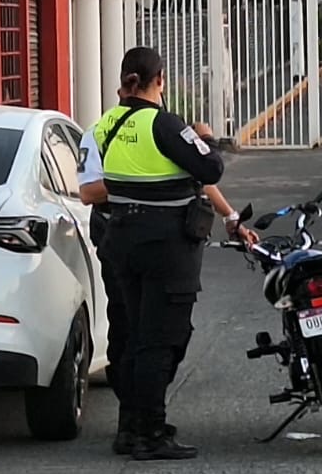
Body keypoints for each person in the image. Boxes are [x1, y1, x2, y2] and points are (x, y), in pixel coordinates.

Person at [79, 92, 256, 455]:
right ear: (158, 81)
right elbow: (88, 192)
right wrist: (201, 141)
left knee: (148, 336)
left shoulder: (122, 128)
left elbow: (193, 177)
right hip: (144, 243)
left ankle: (138, 422)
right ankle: (141, 427)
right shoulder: (140, 127)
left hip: (125, 241)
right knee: (146, 336)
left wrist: (229, 215)